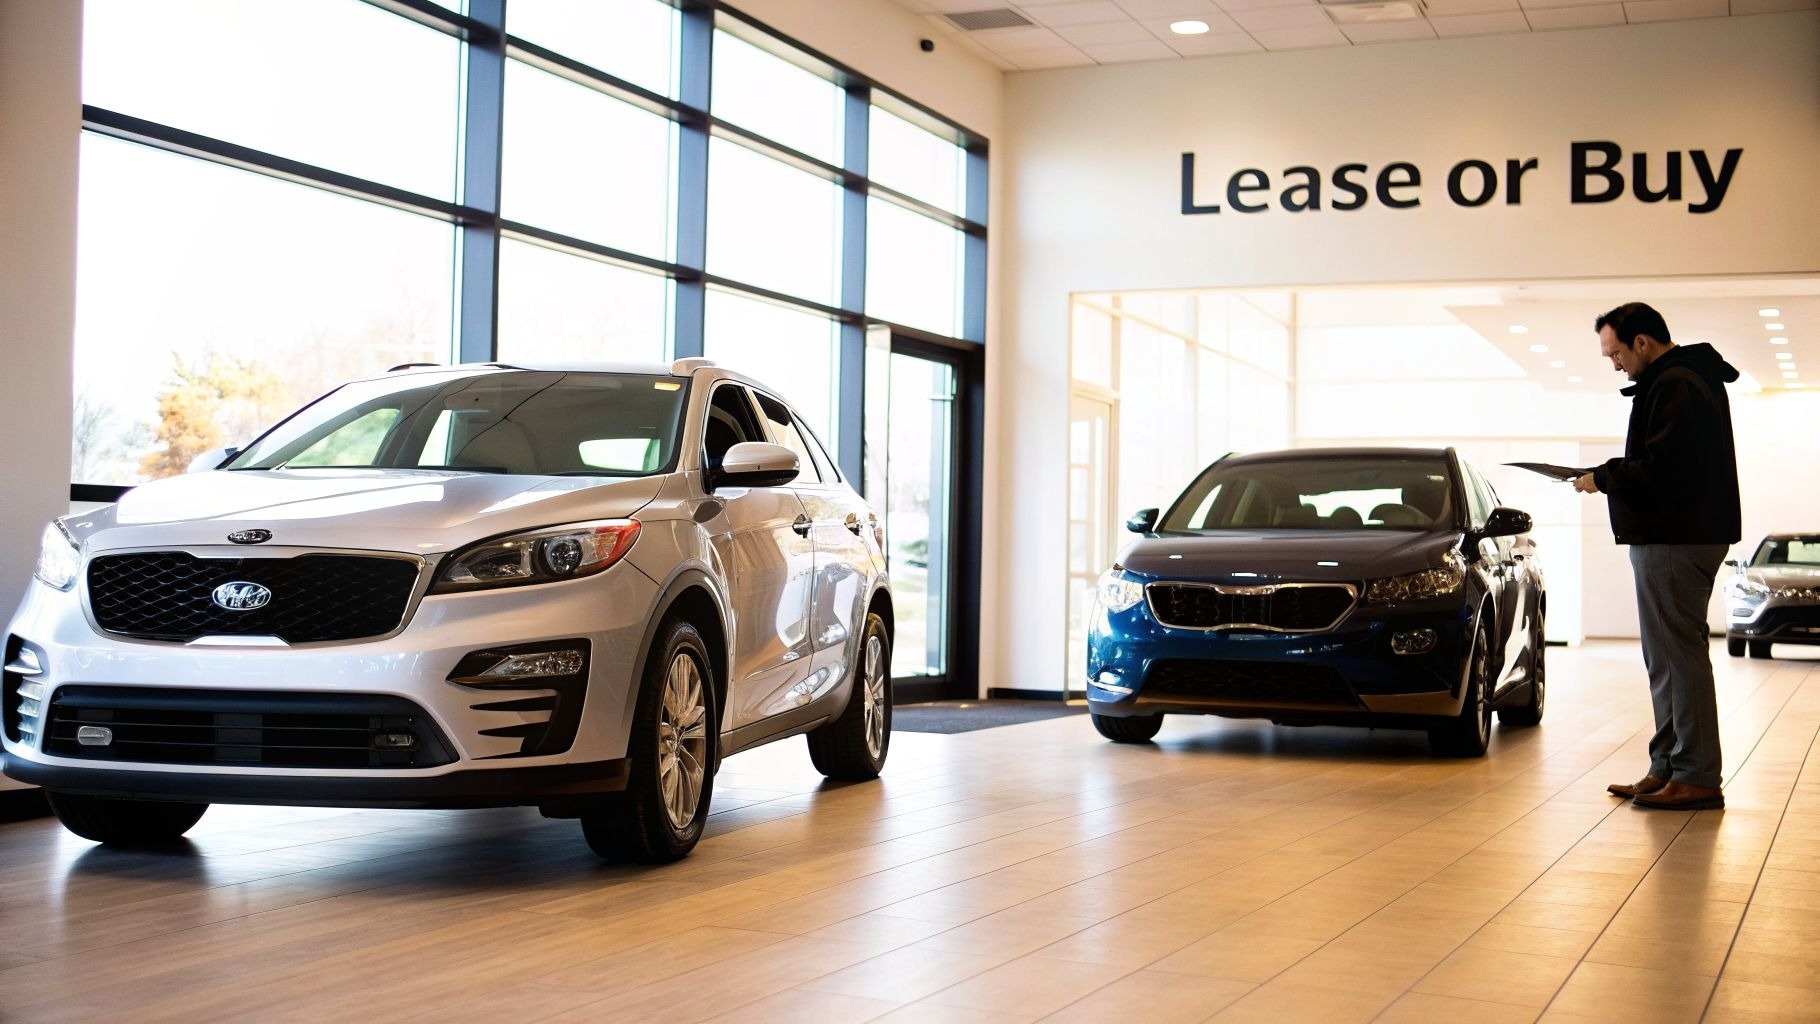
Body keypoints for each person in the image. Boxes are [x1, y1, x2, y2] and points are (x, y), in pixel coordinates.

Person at [1572, 302, 1740, 811]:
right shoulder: (1680, 380)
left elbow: (1662, 467)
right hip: (1677, 534)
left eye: (1617, 353)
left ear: (1642, 342)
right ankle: (1668, 766)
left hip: (1676, 536)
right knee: (1665, 657)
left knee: (1678, 657)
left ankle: (1695, 774)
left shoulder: (1676, 384)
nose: (1616, 364)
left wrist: (1602, 478)